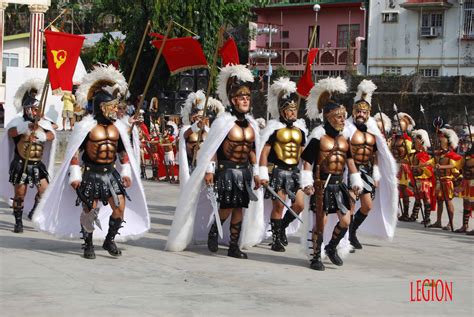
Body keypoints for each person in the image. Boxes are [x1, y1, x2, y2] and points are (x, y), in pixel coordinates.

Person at [33, 65, 149, 259]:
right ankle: (88, 243)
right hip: (91, 173)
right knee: (90, 209)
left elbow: (122, 152)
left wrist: (127, 172)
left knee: (119, 208)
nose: (115, 109)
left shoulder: (117, 128)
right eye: (112, 106)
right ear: (102, 107)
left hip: (111, 173)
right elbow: (75, 153)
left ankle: (109, 240)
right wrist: (76, 175)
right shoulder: (85, 127)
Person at [166, 64, 263, 259]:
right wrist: (209, 171)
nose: (245, 100)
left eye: (247, 98)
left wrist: (259, 172)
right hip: (226, 170)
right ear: (233, 100)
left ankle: (234, 246)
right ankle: (213, 232)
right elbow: (212, 149)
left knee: (240, 208)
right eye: (241, 98)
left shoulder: (252, 124)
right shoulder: (223, 122)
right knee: (227, 206)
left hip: (244, 171)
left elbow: (253, 151)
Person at [300, 77, 363, 271]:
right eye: (339, 116)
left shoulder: (345, 140)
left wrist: (356, 181)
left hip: (339, 185)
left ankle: (331, 247)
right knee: (321, 223)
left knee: (346, 220)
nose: (343, 119)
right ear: (328, 116)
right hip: (322, 185)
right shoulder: (318, 137)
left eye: (344, 116)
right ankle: (315, 256)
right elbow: (307, 162)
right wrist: (307, 183)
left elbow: (350, 162)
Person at [345, 80, 398, 250]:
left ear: (369, 114)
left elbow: (377, 153)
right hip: (350, 171)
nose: (361, 114)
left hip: (366, 171)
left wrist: (376, 172)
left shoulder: (373, 131)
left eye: (364, 111)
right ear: (353, 112)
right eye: (358, 111)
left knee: (367, 206)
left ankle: (353, 230)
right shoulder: (347, 129)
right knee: (351, 204)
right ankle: (346, 237)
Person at [0, 78, 56, 232]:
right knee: (20, 194)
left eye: (38, 109)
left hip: (37, 164)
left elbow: (52, 134)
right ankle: (18, 222)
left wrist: (41, 136)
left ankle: (34, 210)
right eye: (34, 109)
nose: (37, 112)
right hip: (21, 163)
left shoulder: (43, 124)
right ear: (27, 109)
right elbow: (11, 133)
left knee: (45, 191)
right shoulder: (18, 123)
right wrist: (25, 128)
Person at [259, 77, 308, 252]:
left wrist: (307, 175)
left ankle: (282, 228)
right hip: (278, 171)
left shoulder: (301, 132)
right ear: (282, 111)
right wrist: (263, 173)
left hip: (294, 172)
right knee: (278, 206)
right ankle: (276, 239)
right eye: (289, 110)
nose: (293, 113)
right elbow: (264, 152)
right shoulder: (273, 130)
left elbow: (304, 155)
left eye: (295, 110)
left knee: (300, 204)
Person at [426, 127, 461, 230]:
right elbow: (430, 162)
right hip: (439, 181)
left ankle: (450, 223)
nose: (440, 138)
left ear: (448, 140)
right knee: (439, 201)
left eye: (443, 137)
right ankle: (438, 221)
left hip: (447, 181)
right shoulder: (439, 154)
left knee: (448, 201)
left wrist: (441, 167)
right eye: (440, 136)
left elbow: (454, 166)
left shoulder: (451, 155)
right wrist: (418, 166)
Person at [391, 112, 416, 222]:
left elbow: (411, 153)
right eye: (396, 125)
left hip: (403, 166)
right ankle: (395, 211)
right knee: (394, 189)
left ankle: (406, 213)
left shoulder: (407, 140)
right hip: (394, 165)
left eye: (399, 126)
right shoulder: (394, 138)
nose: (397, 128)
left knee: (403, 189)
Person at [410, 129, 435, 225]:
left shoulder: (424, 154)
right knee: (417, 197)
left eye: (417, 139)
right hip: (417, 180)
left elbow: (425, 167)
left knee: (426, 198)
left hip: (424, 180)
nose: (415, 140)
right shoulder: (414, 154)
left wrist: (416, 168)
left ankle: (427, 218)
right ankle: (414, 215)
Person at [456, 126, 474, 234]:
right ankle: (464, 225)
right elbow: (458, 166)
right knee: (466, 203)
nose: (466, 145)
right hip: (466, 182)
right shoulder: (466, 156)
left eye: (468, 143)